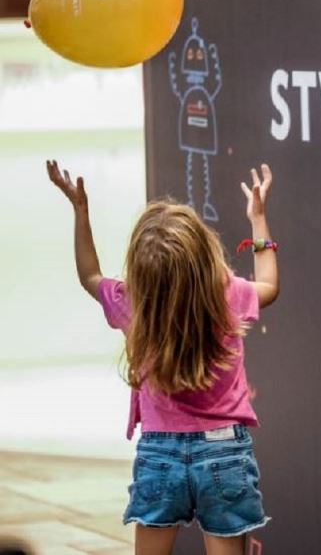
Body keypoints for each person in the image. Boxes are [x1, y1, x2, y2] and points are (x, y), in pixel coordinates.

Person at [46, 160, 279, 555]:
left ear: (141, 269)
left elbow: (89, 275)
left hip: (159, 455)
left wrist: (80, 212)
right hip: (225, 452)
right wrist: (258, 220)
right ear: (204, 255)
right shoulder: (228, 296)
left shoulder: (132, 303)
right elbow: (270, 283)